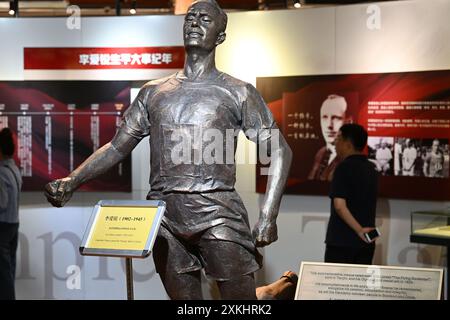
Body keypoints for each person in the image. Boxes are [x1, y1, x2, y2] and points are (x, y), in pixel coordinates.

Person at [44, 0, 292, 300]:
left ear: (221, 36)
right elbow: (117, 147)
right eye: (190, 17)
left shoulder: (238, 91)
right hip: (165, 217)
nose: (195, 22)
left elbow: (279, 150)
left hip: (219, 212)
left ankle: (262, 295)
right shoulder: (153, 92)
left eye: (205, 18)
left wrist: (268, 214)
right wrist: (72, 180)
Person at [324, 124, 379, 265]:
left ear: (347, 143)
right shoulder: (371, 169)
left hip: (342, 242)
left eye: (338, 139)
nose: (335, 143)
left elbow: (339, 205)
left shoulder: (343, 168)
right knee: (360, 285)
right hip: (366, 242)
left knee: (335, 285)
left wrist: (359, 230)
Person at [0, 128, 22, 300]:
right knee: (9, 269)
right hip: (14, 223)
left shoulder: (1, 172)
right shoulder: (14, 169)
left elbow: (2, 202)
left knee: (3, 273)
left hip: (2, 226)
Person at [308, 94, 348, 181]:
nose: (329, 125)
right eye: (324, 117)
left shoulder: (348, 159)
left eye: (336, 118)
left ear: (348, 121)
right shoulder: (320, 153)